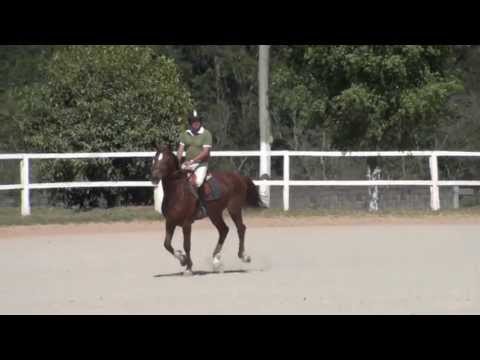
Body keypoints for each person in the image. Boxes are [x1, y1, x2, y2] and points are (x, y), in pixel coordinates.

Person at [177, 111, 213, 220]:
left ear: (200, 122)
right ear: (190, 122)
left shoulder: (206, 134)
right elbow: (180, 150)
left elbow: (205, 152)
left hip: (201, 163)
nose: (195, 123)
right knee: (177, 180)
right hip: (187, 163)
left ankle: (201, 207)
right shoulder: (185, 134)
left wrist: (192, 161)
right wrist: (177, 162)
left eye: (197, 121)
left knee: (197, 182)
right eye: (193, 121)